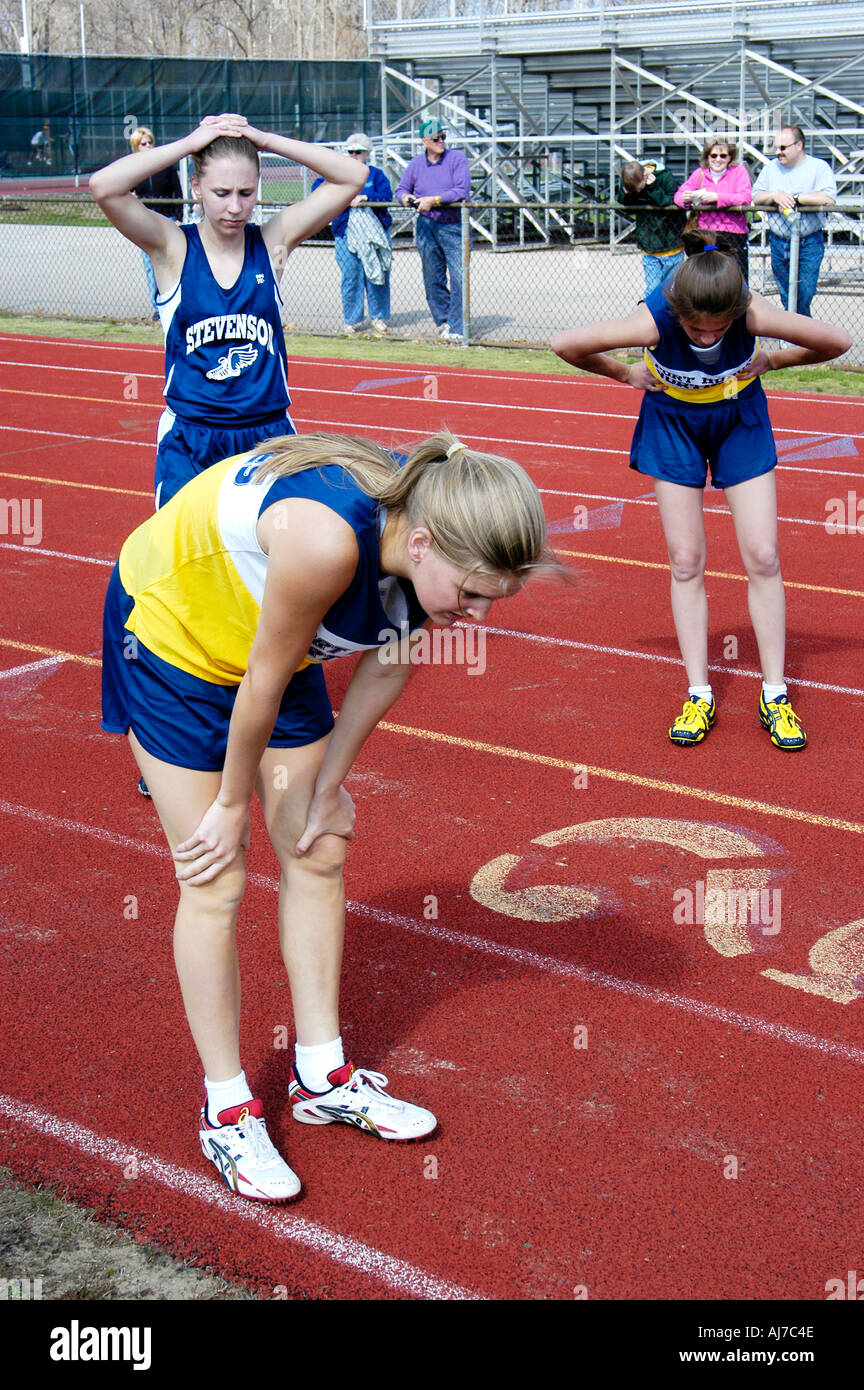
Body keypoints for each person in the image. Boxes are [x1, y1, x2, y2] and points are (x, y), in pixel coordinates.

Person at [100, 430, 551, 1200]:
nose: (473, 613)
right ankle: (227, 1108)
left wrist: (331, 782)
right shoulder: (324, 544)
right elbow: (260, 685)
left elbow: (384, 667)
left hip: (271, 644)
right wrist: (233, 804)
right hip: (176, 640)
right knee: (216, 876)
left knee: (319, 846)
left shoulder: (421, 540)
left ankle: (322, 1075)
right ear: (423, 542)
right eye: (472, 592)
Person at [550, 230, 851, 751]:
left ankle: (774, 694)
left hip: (740, 419)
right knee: (686, 560)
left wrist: (775, 361)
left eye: (720, 328)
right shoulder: (656, 316)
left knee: (762, 555)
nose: (708, 337)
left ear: (737, 311)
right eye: (695, 328)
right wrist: (625, 373)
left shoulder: (751, 311)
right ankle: (699, 692)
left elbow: (837, 341)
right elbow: (565, 344)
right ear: (676, 310)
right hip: (673, 424)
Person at [90, 113, 366, 509]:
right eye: (221, 192)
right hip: (192, 438)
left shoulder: (273, 242)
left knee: (264, 563)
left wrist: (265, 139)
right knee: (186, 560)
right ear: (196, 187)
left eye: (246, 192)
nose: (236, 207)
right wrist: (189, 144)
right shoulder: (172, 247)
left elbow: (352, 175)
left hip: (266, 436)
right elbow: (104, 187)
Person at [395, 119, 471, 343]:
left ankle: (458, 327)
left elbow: (461, 190)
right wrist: (406, 198)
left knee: (459, 278)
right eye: (435, 138)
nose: (441, 142)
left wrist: (434, 200)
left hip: (454, 225)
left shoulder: (456, 158)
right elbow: (400, 189)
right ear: (424, 141)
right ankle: (444, 321)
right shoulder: (417, 164)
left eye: (443, 137)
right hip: (427, 226)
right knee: (432, 278)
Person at [312, 132, 393, 338]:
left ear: (367, 153)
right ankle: (353, 320)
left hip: (373, 233)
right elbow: (316, 188)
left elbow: (386, 196)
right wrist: (343, 194)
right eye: (351, 152)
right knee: (351, 277)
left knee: (377, 275)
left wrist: (366, 197)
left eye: (359, 152)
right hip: (345, 232)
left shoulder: (375, 175)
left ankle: (379, 317)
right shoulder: (338, 175)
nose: (354, 155)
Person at [752, 126, 837, 316]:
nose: (777, 152)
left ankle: (799, 333)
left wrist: (795, 198)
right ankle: (799, 335)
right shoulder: (770, 168)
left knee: (804, 294)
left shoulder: (818, 167)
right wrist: (775, 195)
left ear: (799, 145)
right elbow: (756, 196)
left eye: (782, 147)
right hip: (779, 240)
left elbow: (828, 197)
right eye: (775, 147)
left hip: (809, 240)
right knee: (786, 294)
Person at [674, 138, 752, 278]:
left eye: (723, 156)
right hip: (705, 234)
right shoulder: (700, 173)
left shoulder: (738, 172)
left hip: (733, 233)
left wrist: (717, 198)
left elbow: (745, 198)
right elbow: (678, 196)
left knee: (736, 276)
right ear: (707, 156)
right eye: (713, 155)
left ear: (730, 157)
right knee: (704, 277)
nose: (718, 159)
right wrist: (685, 199)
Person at [128, 127, 184, 321]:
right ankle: (158, 307)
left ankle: (175, 302)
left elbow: (178, 193)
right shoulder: (134, 170)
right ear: (136, 148)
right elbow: (124, 192)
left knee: (171, 262)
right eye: (143, 144)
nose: (148, 146)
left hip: (167, 219)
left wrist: (178, 217)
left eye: (150, 142)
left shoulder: (165, 166)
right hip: (144, 223)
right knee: (151, 266)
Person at [618, 158, 686, 296]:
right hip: (648, 244)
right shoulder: (631, 180)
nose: (638, 191)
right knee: (652, 290)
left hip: (671, 243)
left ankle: (671, 317)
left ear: (644, 176)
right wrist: (626, 193)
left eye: (639, 187)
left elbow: (673, 202)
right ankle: (651, 316)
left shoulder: (664, 176)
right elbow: (625, 205)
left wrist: (653, 188)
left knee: (672, 290)